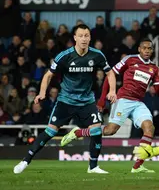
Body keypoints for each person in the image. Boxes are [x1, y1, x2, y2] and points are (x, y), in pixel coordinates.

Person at [13, 24, 117, 174]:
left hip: (87, 101)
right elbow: (48, 75)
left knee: (96, 131)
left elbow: (110, 73)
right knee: (50, 131)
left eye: (86, 35)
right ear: (75, 38)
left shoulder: (97, 55)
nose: (84, 38)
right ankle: (25, 161)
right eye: (80, 35)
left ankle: (93, 167)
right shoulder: (64, 56)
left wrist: (112, 90)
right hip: (65, 101)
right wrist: (42, 93)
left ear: (90, 38)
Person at [61, 38, 159, 173]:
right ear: (139, 49)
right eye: (144, 48)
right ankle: (77, 132)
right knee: (110, 130)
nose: (147, 50)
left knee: (149, 128)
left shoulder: (154, 68)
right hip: (123, 100)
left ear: (152, 51)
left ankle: (138, 166)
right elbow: (110, 75)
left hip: (138, 103)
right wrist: (102, 99)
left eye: (149, 48)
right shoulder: (129, 60)